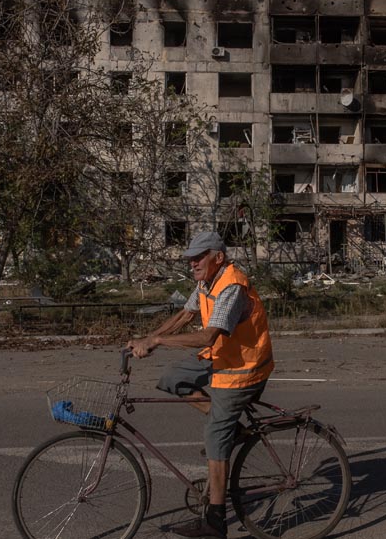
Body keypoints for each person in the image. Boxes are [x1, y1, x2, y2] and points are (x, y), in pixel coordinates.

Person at [128, 231, 274, 539]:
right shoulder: (207, 281)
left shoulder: (231, 287)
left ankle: (215, 522)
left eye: (198, 257)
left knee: (214, 437)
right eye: (190, 258)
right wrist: (148, 339)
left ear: (217, 257)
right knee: (172, 378)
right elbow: (185, 314)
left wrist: (158, 340)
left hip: (242, 370)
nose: (192, 263)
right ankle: (231, 428)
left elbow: (208, 336)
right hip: (220, 359)